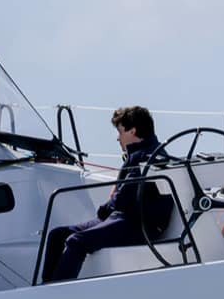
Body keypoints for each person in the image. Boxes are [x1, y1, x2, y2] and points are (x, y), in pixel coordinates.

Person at [41, 106, 174, 283]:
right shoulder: (138, 154)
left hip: (137, 223)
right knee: (57, 235)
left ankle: (58, 293)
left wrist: (104, 210)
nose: (118, 138)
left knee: (76, 241)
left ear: (132, 131)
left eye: (120, 131)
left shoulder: (147, 157)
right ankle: (46, 288)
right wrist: (108, 210)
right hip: (121, 217)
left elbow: (123, 199)